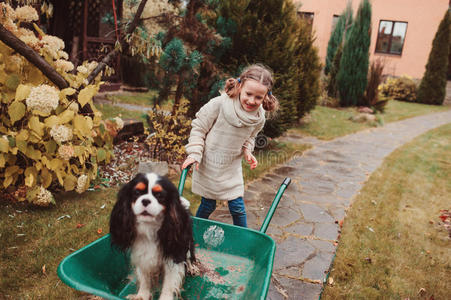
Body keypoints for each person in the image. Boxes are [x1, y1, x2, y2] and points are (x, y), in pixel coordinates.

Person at [181, 64, 279, 227]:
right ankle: (194, 233)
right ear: (240, 86)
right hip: (210, 165)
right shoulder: (220, 104)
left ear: (265, 97)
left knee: (237, 208)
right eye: (248, 94)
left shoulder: (259, 117)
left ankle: (242, 241)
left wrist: (248, 151)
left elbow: (251, 136)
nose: (252, 101)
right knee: (208, 204)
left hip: (231, 167)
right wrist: (194, 153)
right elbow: (199, 128)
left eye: (258, 97)